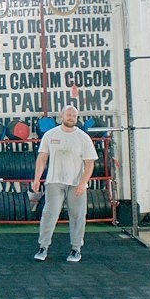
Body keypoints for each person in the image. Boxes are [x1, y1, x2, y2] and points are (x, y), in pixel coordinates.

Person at [30, 105, 98, 263]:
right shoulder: (50, 135)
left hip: (76, 184)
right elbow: (42, 158)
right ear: (62, 116)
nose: (71, 118)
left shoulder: (83, 138)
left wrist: (83, 183)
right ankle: (43, 247)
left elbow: (89, 164)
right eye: (69, 115)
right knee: (49, 214)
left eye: (74, 116)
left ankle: (76, 249)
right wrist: (36, 179)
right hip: (54, 181)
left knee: (77, 216)